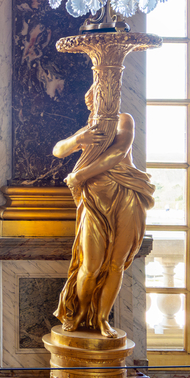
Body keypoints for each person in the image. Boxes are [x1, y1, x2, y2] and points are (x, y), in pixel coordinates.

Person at [52, 87, 155, 337]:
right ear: (90, 103)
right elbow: (58, 150)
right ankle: (80, 314)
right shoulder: (89, 130)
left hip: (126, 195)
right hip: (95, 199)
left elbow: (119, 152)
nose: (99, 102)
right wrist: (78, 140)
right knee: (91, 265)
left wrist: (80, 175)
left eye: (104, 96)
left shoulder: (124, 119)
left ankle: (101, 319)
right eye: (94, 98)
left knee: (116, 264)